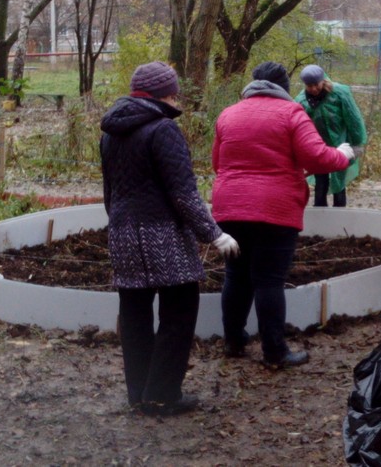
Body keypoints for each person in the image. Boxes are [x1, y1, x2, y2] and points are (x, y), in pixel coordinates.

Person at [100, 62, 241, 416]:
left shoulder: (110, 132)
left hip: (121, 232)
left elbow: (109, 192)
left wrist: (119, 224)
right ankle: (163, 395)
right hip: (161, 234)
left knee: (134, 314)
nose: (177, 96)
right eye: (174, 90)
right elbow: (183, 194)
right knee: (179, 310)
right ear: (166, 93)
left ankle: (139, 393)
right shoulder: (163, 130)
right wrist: (214, 234)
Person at [212, 62, 353, 368]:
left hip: (230, 206)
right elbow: (316, 158)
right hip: (274, 210)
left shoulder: (228, 114)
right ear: (284, 88)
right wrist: (343, 155)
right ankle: (274, 352)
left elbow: (216, 164)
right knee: (269, 281)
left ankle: (233, 342)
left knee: (236, 276)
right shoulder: (292, 114)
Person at [295, 64, 367, 207]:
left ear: (323, 81)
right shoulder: (301, 101)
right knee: (321, 181)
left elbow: (353, 118)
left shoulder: (339, 94)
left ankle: (339, 216)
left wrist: (357, 142)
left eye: (316, 84)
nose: (314, 89)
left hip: (340, 144)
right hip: (318, 148)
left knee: (338, 182)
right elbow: (299, 127)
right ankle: (320, 215)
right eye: (309, 86)